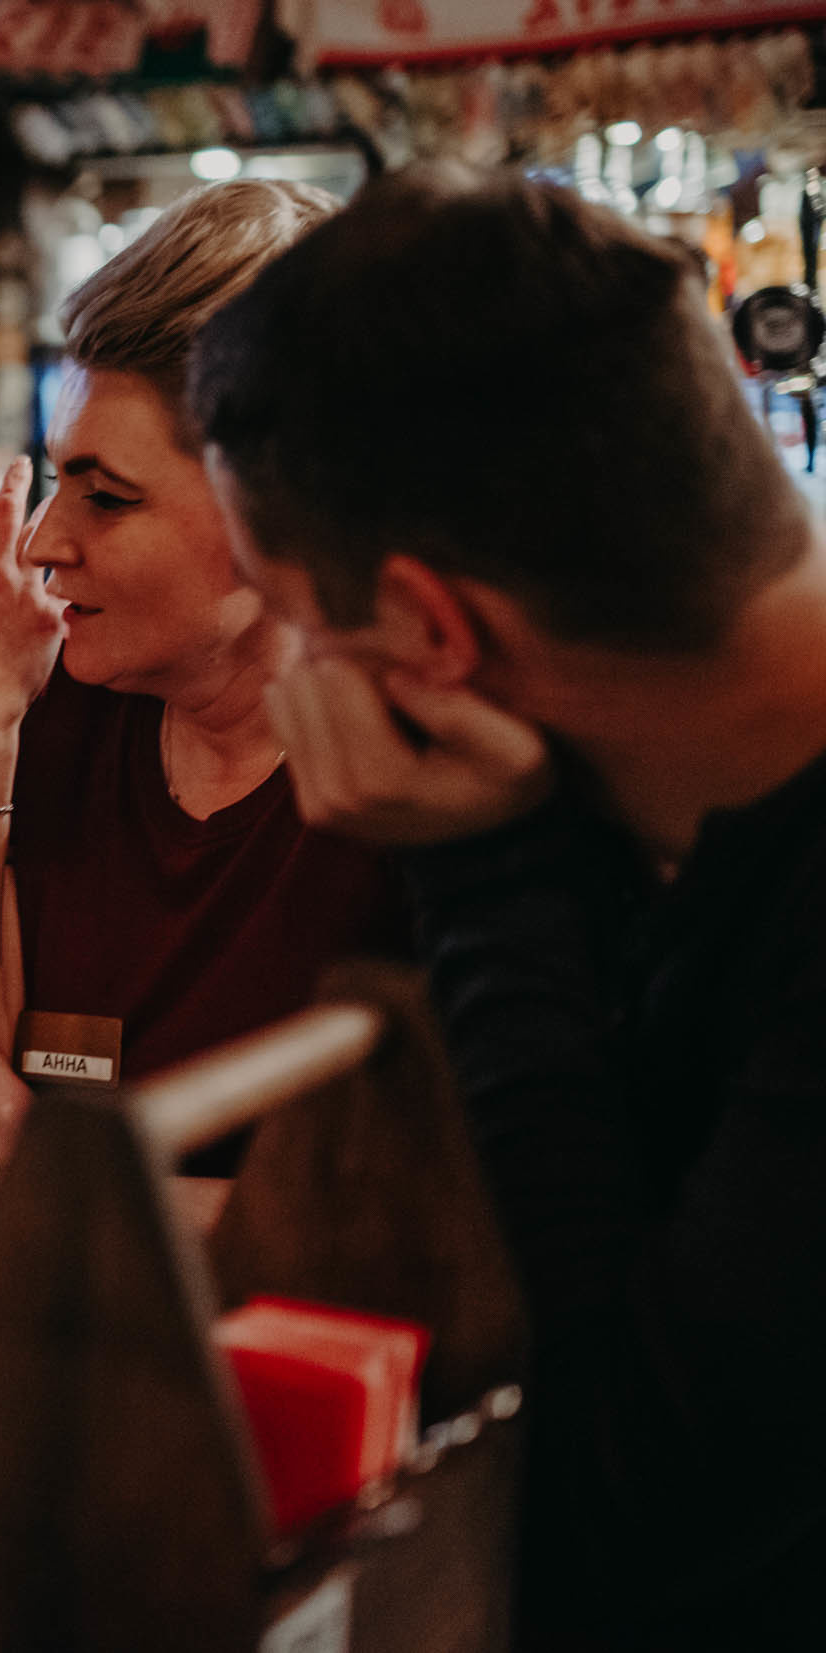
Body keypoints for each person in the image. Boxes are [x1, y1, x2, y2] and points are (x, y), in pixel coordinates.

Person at [190, 163, 826, 1644]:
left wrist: (485, 880)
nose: (284, 674)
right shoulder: (652, 794)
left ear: (427, 626)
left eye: (286, 614)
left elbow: (619, 1520)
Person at [0, 179, 404, 1180]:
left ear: (284, 509)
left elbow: (458, 1234)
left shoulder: (419, 764)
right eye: (57, 478)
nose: (44, 539)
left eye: (105, 495)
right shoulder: (52, 709)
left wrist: (86, 1190)